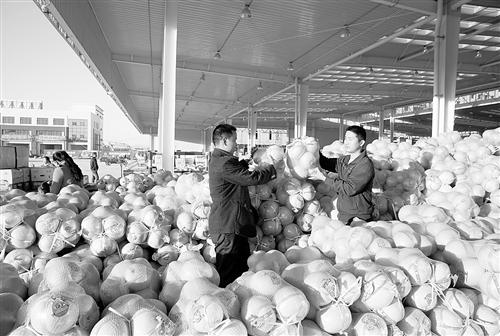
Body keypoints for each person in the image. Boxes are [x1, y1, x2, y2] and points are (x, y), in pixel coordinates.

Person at [208, 124, 281, 287]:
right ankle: (226, 303)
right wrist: (272, 168)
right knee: (229, 274)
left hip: (231, 224)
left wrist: (246, 161)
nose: (236, 144)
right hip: (229, 225)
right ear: (225, 140)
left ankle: (234, 303)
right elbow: (251, 179)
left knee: (238, 271)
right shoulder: (224, 164)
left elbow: (235, 173)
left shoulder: (219, 160)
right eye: (234, 140)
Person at [310, 125, 375, 225]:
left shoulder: (365, 165)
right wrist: (314, 147)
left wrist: (324, 178)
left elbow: (349, 188)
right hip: (344, 214)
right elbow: (325, 163)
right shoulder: (345, 160)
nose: (346, 142)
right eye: (345, 139)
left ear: (361, 143)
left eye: (350, 139)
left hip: (358, 217)